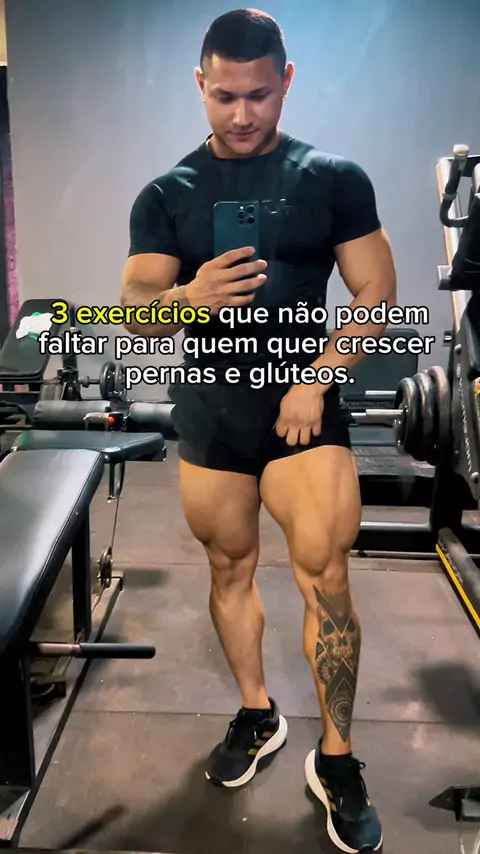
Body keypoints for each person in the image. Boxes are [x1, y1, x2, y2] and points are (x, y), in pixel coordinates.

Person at [121, 9, 396, 852]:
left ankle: (336, 758)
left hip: (302, 409)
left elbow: (376, 295)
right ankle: (257, 713)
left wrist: (318, 378)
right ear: (200, 85)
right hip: (212, 411)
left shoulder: (333, 178)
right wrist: (187, 299)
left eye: (260, 95)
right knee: (228, 567)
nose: (242, 114)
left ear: (287, 81)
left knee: (326, 575)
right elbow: (132, 312)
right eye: (225, 96)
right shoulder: (167, 193)